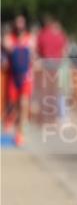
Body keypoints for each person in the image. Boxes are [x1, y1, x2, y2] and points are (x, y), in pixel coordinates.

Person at [5, 17, 33, 146]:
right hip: (13, 76)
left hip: (26, 76)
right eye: (18, 23)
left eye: (22, 23)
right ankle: (15, 127)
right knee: (14, 104)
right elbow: (8, 46)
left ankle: (20, 133)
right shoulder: (10, 37)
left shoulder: (30, 38)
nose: (20, 26)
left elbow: (33, 52)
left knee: (23, 103)